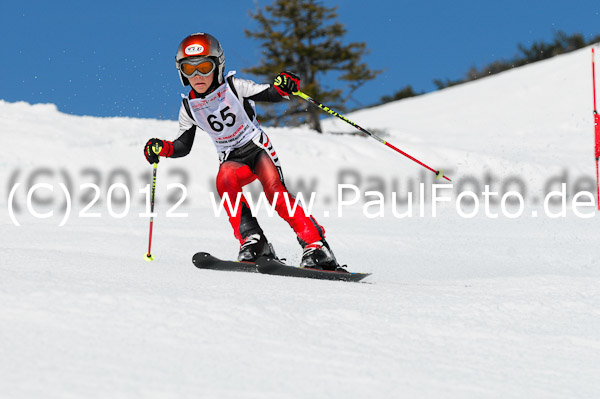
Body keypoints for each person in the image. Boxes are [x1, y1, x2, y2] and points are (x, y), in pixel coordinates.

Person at [144, 32, 343, 271]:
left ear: (218, 65)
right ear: (181, 72)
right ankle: (254, 242)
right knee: (224, 180)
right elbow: (182, 147)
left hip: (257, 151)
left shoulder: (234, 87)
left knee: (275, 194)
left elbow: (271, 93)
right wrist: (161, 148)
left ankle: (317, 246)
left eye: (204, 67)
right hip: (233, 160)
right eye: (189, 69)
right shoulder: (189, 107)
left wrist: (285, 84)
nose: (197, 75)